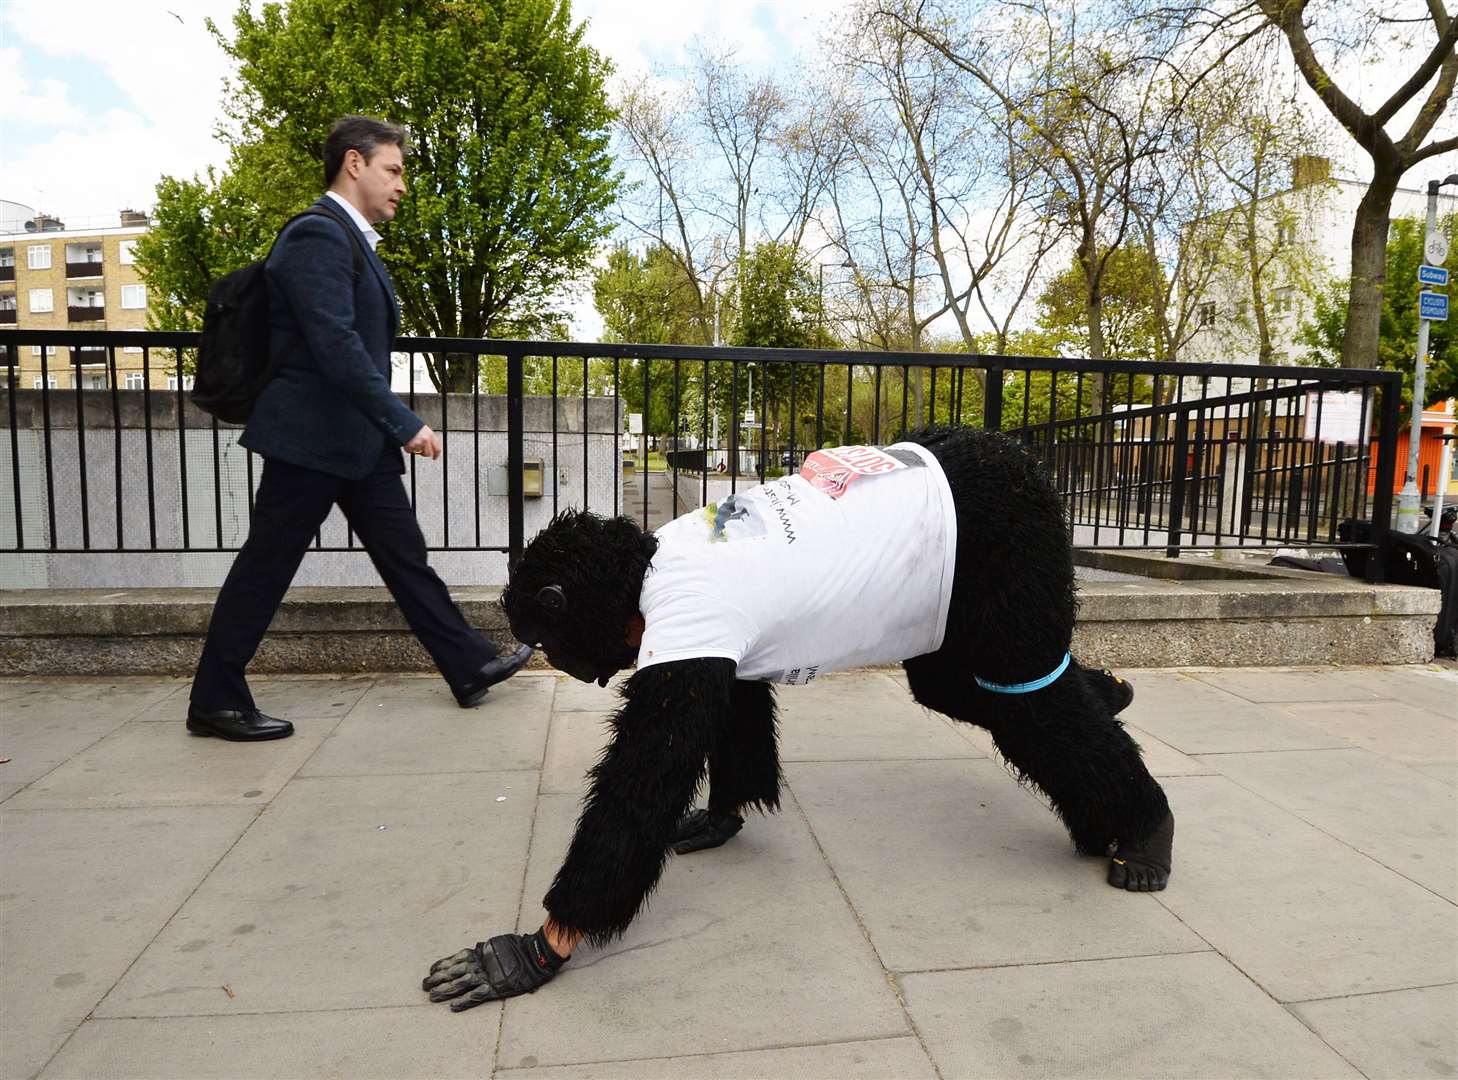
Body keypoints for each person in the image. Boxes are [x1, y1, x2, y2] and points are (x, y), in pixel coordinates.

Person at [421, 427, 1173, 1010]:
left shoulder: (689, 610)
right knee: (943, 684)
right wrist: (728, 802)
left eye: (552, 643)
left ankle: (1141, 814)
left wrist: (548, 944)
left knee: (1024, 701)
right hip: (941, 486)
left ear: (575, 610)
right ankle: (1081, 693)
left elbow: (639, 787)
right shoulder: (675, 551)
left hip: (989, 520)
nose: (560, 660)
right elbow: (735, 678)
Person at [186, 115, 531, 742]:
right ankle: (215, 699)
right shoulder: (317, 235)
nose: (401, 184)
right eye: (393, 170)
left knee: (406, 558)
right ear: (354, 164)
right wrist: (402, 421)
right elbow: (335, 345)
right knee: (266, 567)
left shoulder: (349, 240)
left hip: (352, 442)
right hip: (312, 440)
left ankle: (468, 662)